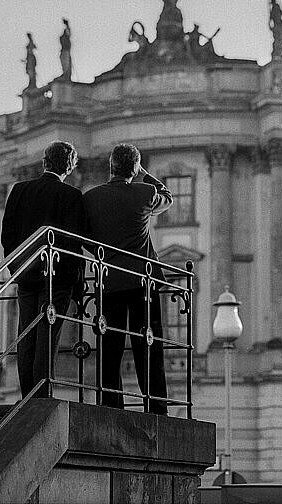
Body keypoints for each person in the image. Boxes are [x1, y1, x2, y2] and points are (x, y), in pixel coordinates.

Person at [83, 143, 173, 414]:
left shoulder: (90, 198)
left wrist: (103, 254)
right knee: (148, 344)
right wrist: (145, 174)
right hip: (142, 282)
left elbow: (84, 236)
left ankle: (110, 404)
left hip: (108, 282)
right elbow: (167, 197)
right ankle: (156, 406)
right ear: (134, 168)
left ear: (110, 167)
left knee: (109, 347)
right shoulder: (145, 192)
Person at [1, 141, 85, 398]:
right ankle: (41, 394)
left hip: (26, 274)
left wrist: (17, 267)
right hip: (57, 279)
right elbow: (74, 242)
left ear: (44, 162)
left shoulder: (19, 190)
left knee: (26, 332)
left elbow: (8, 235)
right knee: (48, 333)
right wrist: (77, 283)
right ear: (69, 168)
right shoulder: (71, 196)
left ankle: (27, 392)